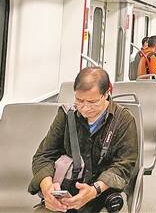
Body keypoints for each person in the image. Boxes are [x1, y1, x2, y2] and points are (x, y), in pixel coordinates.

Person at [28, 67, 138, 212]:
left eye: (92, 102)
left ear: (106, 94)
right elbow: (43, 155)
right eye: (79, 100)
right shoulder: (67, 115)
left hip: (103, 192)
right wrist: (47, 188)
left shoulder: (123, 120)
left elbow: (124, 164)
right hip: (69, 192)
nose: (85, 108)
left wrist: (94, 190)